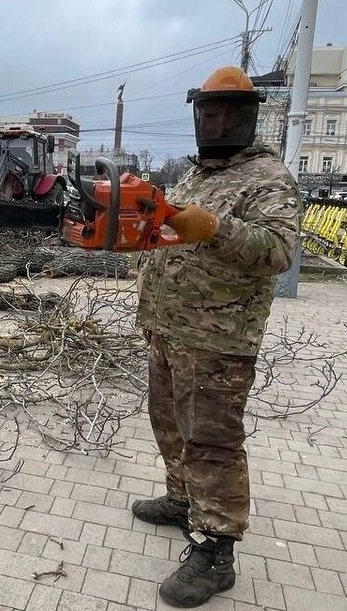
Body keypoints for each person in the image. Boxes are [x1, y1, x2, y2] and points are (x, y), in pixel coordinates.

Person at [133, 66, 301, 608]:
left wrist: (215, 227)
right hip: (169, 329)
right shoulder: (196, 174)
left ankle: (217, 552)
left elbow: (278, 252)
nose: (217, 120)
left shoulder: (267, 178)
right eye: (209, 111)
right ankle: (182, 500)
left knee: (212, 442)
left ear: (249, 116)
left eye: (229, 112)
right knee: (169, 424)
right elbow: (172, 231)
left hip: (217, 341)